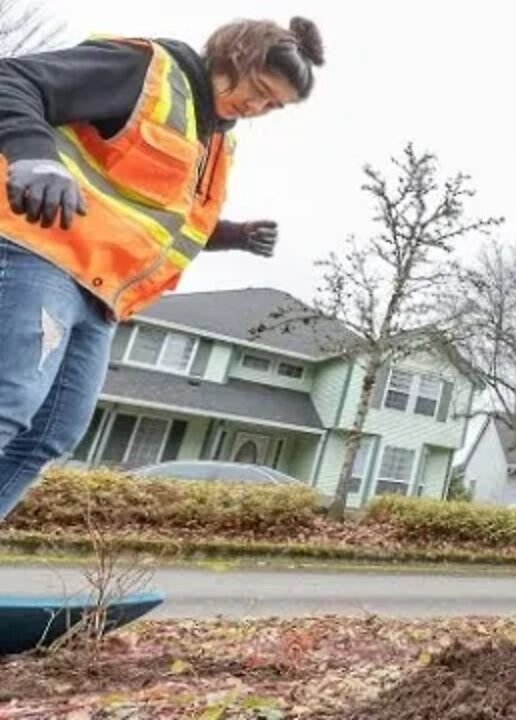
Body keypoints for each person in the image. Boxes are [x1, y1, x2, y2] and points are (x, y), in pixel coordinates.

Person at [0, 17, 325, 519]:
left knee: (53, 433)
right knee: (10, 403)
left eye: (272, 106)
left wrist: (232, 234)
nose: (257, 108)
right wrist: (33, 158)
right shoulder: (145, 71)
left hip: (102, 298)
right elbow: (13, 79)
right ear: (236, 54)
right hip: (40, 252)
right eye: (259, 90)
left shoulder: (214, 141)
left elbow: (159, 218)